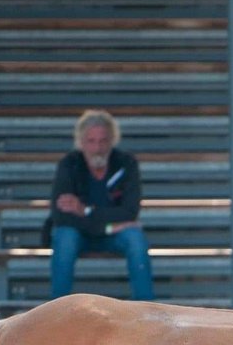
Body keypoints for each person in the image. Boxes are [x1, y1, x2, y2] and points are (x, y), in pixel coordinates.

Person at [49, 109, 154, 301]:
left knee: (135, 238)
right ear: (81, 142)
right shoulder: (69, 164)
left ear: (112, 140)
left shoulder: (126, 163)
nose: (97, 148)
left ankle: (146, 308)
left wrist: (84, 210)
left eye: (103, 141)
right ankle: (56, 309)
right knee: (65, 236)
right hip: (86, 233)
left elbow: (130, 212)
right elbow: (61, 216)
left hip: (112, 234)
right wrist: (107, 226)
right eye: (91, 141)